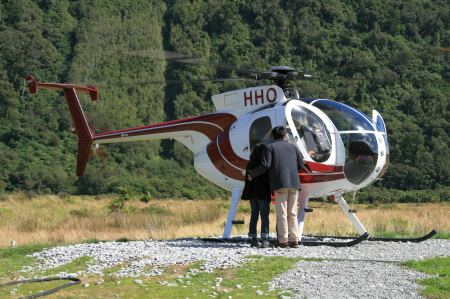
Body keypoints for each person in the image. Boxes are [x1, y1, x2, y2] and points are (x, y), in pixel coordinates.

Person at [248, 126, 304, 248]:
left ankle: (283, 241)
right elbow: (301, 164)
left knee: (282, 212)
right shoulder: (293, 147)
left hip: (280, 184)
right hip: (294, 183)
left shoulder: (270, 147)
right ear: (285, 135)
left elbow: (265, 165)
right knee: (293, 212)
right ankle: (295, 240)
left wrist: (252, 174)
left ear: (273, 136)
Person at [241, 143, 271, 248]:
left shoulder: (250, 164)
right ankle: (265, 238)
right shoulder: (264, 165)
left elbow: (247, 181)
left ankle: (253, 238)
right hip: (263, 194)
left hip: (252, 195)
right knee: (264, 216)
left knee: (254, 216)